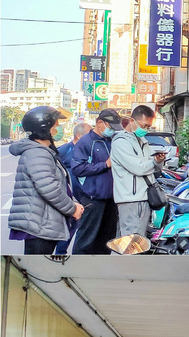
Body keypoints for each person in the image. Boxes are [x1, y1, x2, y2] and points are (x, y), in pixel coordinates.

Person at [8, 106, 84, 255]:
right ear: (44, 128)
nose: (59, 129)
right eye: (56, 125)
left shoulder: (45, 152)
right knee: (37, 268)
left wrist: (74, 202)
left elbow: (61, 185)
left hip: (43, 222)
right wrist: (72, 208)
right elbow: (49, 189)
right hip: (39, 225)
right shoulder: (37, 154)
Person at [70, 111, 120, 254]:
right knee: (86, 238)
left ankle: (100, 265)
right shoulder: (86, 142)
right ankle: (78, 264)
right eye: (110, 126)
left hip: (111, 198)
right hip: (93, 198)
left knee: (107, 240)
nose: (112, 130)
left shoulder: (112, 141)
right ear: (99, 123)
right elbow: (78, 168)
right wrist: (105, 164)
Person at [111, 104, 163, 238]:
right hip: (131, 199)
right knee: (131, 241)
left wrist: (158, 161)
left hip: (143, 197)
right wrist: (153, 162)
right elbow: (139, 168)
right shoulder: (121, 143)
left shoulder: (142, 141)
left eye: (148, 127)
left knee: (138, 240)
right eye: (143, 125)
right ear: (132, 121)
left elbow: (152, 166)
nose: (145, 129)